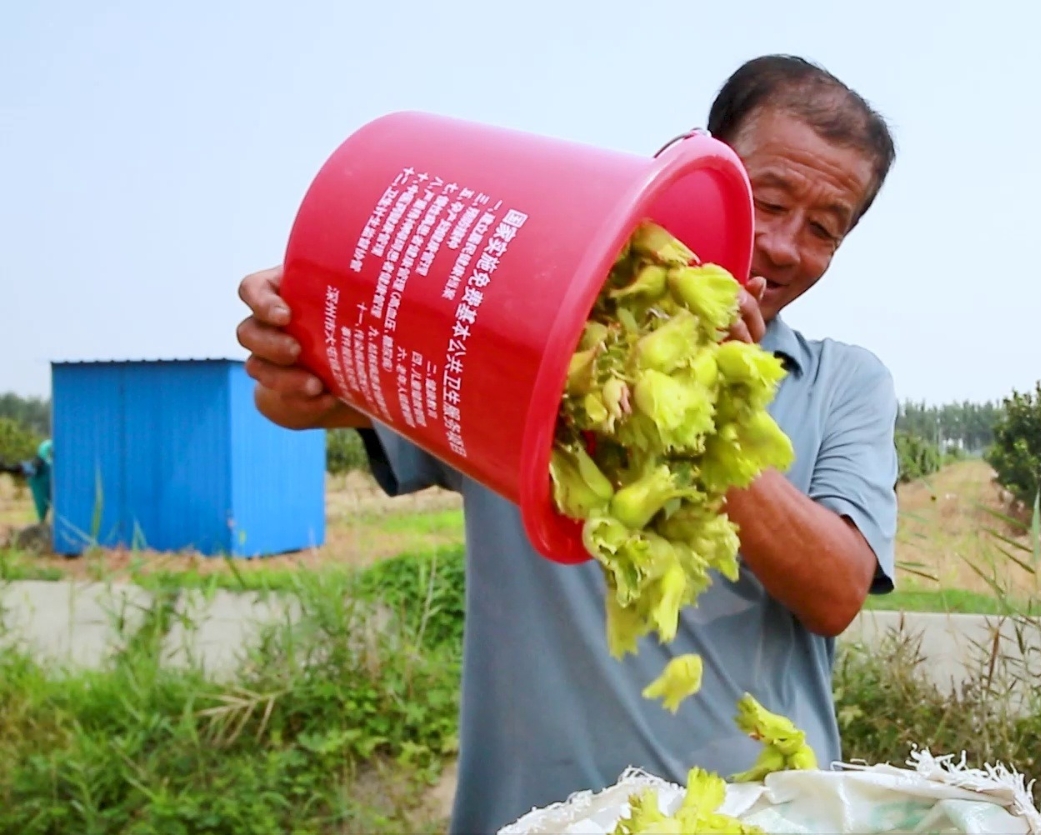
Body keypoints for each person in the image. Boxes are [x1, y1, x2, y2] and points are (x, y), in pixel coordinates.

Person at [235, 54, 900, 834]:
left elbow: (836, 591)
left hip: (755, 816)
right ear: (704, 174)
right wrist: (299, 319)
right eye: (771, 201)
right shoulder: (522, 348)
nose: (785, 246)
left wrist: (700, 407)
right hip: (530, 816)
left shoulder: (844, 382)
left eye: (823, 229)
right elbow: (303, 401)